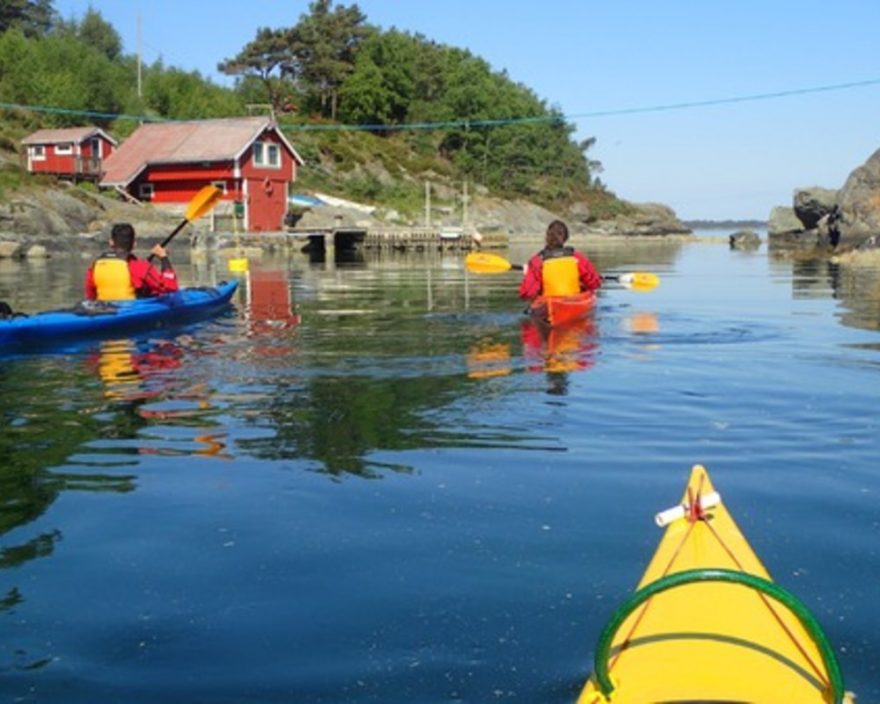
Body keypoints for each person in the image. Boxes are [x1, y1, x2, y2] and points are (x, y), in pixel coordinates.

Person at [85, 223, 179, 301]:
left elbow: (90, 297)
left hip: (103, 311)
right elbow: (170, 288)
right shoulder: (141, 267)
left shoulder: (95, 266)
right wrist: (164, 258)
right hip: (130, 312)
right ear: (134, 244)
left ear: (111, 242)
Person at [518, 219, 603, 300]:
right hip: (574, 302)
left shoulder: (536, 261)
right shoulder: (577, 258)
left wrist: (528, 274)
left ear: (547, 237)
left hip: (549, 303)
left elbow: (527, 293)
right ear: (565, 238)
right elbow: (594, 284)